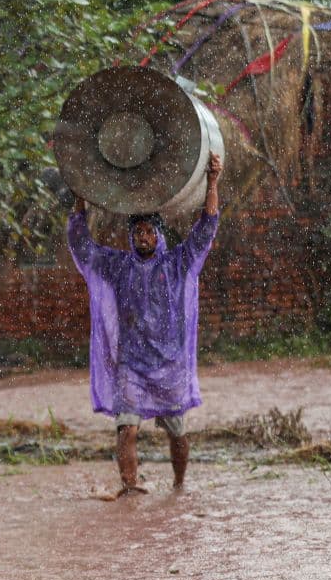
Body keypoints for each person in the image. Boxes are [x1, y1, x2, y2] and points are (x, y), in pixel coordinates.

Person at [68, 152, 223, 496]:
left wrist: (212, 182)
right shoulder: (119, 266)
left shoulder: (178, 264)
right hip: (131, 367)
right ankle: (130, 489)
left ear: (158, 234)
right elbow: (82, 246)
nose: (142, 236)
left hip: (170, 366)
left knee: (178, 434)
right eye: (136, 231)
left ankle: (179, 485)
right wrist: (80, 195)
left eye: (148, 231)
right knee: (127, 430)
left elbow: (206, 228)